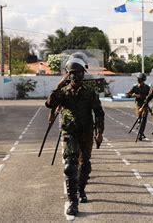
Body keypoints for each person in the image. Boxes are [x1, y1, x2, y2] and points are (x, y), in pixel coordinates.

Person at [45, 57, 105, 216]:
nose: (75, 76)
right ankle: (73, 201)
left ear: (83, 74)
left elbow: (99, 113)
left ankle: (81, 189)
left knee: (84, 165)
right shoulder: (63, 93)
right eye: (71, 73)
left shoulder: (90, 93)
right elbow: (50, 103)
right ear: (68, 75)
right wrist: (58, 86)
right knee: (70, 166)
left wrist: (99, 133)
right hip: (69, 132)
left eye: (78, 73)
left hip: (86, 132)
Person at [126, 73, 150, 141]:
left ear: (143, 80)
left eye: (140, 80)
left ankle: (140, 133)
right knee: (139, 119)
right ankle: (141, 132)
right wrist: (133, 95)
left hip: (145, 105)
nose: (139, 81)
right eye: (138, 79)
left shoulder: (147, 88)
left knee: (144, 119)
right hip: (138, 105)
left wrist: (143, 97)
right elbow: (127, 94)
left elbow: (150, 96)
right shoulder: (135, 87)